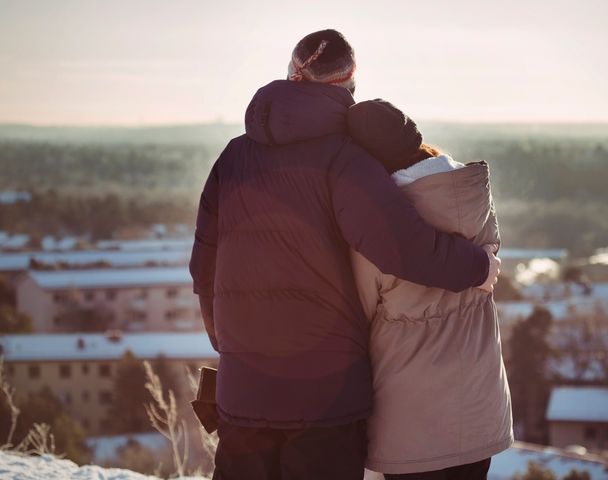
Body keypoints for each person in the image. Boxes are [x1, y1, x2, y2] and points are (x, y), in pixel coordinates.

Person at [189, 29, 501, 480]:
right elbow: (403, 249)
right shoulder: (345, 159)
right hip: (324, 395)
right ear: (349, 85)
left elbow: (205, 263)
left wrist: (228, 342)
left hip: (244, 387)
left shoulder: (235, 156)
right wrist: (478, 266)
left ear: (290, 76)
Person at [348, 100, 513, 480]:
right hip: (479, 407)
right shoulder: (475, 202)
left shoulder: (378, 233)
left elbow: (356, 314)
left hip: (411, 423)